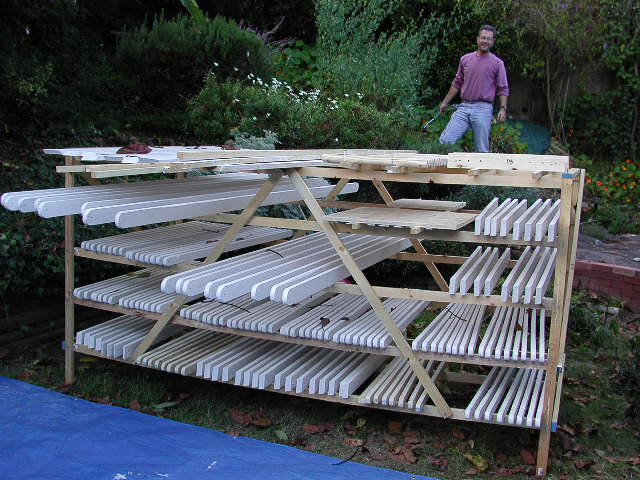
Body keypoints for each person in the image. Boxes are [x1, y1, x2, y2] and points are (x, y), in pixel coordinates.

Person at [439, 25, 509, 153]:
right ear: (477, 39)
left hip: (483, 109)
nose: (485, 41)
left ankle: (483, 172)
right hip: (463, 107)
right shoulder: (465, 59)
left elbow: (503, 88)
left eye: (489, 39)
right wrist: (445, 102)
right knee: (444, 142)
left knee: (482, 150)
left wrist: (503, 109)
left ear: (492, 42)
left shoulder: (498, 63)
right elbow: (457, 83)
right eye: (483, 38)